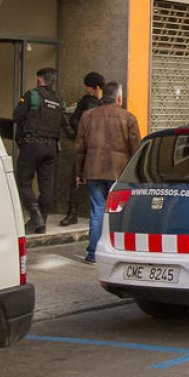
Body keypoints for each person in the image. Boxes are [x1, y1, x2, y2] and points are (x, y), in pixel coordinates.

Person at [75, 81, 141, 264]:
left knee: (97, 211)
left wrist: (79, 172)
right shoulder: (128, 118)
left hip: (94, 170)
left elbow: (80, 147)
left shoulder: (88, 116)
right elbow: (136, 149)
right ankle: (118, 250)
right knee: (120, 212)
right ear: (119, 98)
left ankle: (93, 253)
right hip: (119, 174)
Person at [13, 67, 66, 234]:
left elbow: (17, 116)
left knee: (23, 182)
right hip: (51, 148)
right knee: (46, 187)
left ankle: (35, 216)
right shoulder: (59, 100)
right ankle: (41, 223)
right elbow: (65, 125)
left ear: (39, 79)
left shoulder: (32, 95)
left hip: (32, 145)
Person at [58, 71, 105, 227]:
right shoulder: (85, 101)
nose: (86, 90)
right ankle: (72, 213)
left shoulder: (107, 102)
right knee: (76, 179)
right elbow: (74, 119)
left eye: (87, 87)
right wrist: (83, 133)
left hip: (103, 149)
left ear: (95, 87)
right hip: (87, 146)